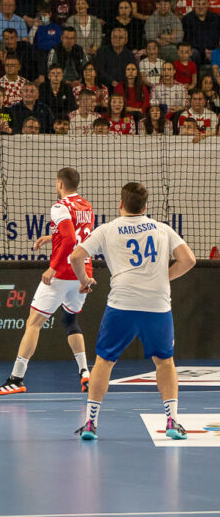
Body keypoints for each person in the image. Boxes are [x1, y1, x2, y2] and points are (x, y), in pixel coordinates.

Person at [69, 182, 196, 440]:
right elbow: (189, 260)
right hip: (157, 305)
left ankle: (91, 423)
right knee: (164, 362)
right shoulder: (162, 229)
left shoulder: (108, 229)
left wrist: (84, 280)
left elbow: (75, 256)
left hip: (122, 305)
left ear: (121, 204)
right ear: (145, 207)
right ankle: (172, 421)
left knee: (104, 361)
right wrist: (164, 277)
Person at [0, 168, 95, 396]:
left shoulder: (60, 207)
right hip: (83, 274)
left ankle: (16, 379)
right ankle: (85, 373)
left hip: (62, 274)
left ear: (60, 183)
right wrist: (52, 237)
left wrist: (53, 267)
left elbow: (70, 239)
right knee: (70, 320)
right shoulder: (86, 206)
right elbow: (81, 236)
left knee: (34, 323)